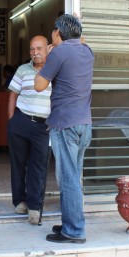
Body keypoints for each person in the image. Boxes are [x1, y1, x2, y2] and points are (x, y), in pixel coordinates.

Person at [34, 14, 94, 244]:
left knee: (67, 178)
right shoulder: (87, 51)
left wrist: (49, 54)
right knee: (74, 177)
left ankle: (74, 230)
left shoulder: (58, 53)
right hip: (84, 124)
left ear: (58, 32)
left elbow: (39, 85)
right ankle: (72, 221)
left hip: (64, 124)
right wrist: (76, 26)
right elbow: (81, 38)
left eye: (53, 31)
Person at [7, 36, 52, 224]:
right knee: (18, 164)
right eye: (32, 49)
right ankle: (19, 201)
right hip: (21, 121)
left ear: (48, 49)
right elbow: (12, 96)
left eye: (39, 48)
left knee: (39, 166)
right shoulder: (23, 70)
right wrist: (11, 122)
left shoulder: (55, 70)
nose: (35, 53)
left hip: (44, 126)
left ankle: (34, 207)